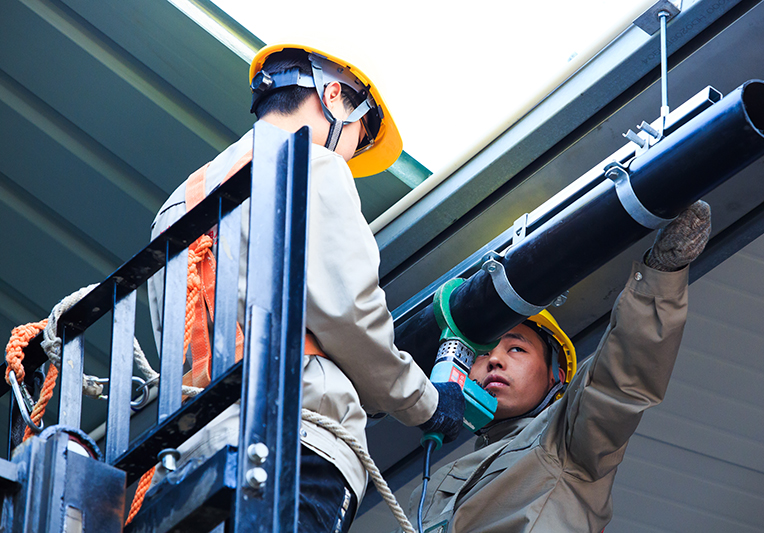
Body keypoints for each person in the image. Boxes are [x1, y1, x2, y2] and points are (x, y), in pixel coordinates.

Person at [146, 44, 464, 533]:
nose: (349, 155)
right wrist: (425, 403)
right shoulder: (312, 164)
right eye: (357, 140)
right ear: (334, 96)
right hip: (296, 444)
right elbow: (351, 314)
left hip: (193, 456)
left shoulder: (177, 204)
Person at [407, 201, 711, 532]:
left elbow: (620, 380)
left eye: (517, 348)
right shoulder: (436, 483)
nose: (494, 359)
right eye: (481, 355)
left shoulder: (568, 440)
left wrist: (661, 275)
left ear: (557, 374)